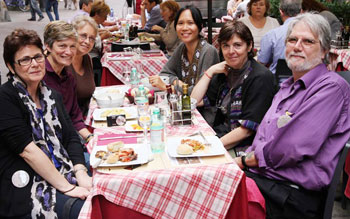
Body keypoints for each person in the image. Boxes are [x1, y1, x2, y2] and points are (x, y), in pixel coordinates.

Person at [234, 13, 350, 219]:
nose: (297, 46)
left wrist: (243, 161)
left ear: (324, 50)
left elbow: (290, 148)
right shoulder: (287, 87)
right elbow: (264, 136)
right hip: (263, 182)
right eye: (292, 40)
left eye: (308, 41)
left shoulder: (331, 87)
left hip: (289, 197)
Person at [0, 29, 91, 218]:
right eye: (25, 60)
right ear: (11, 66)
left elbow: (70, 138)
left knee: (105, 181)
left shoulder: (51, 96)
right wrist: (67, 187)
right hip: (26, 183)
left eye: (38, 57)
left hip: (60, 167)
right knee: (86, 209)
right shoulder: (5, 98)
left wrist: (80, 173)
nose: (34, 64)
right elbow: (28, 151)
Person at [191, 20, 276, 155]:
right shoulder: (225, 72)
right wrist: (210, 71)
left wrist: (208, 147)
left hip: (245, 147)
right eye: (226, 46)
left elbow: (247, 130)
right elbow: (193, 102)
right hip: (220, 135)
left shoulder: (260, 77)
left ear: (249, 47)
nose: (231, 51)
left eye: (237, 45)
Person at [43, 21, 93, 142]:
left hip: (69, 137)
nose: (69, 52)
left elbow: (75, 116)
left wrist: (90, 138)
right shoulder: (39, 76)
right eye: (62, 46)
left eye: (72, 46)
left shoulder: (68, 76)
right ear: (48, 46)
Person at [152, 5, 220, 94]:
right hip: (184, 103)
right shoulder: (182, 48)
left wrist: (168, 87)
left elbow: (200, 92)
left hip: (202, 107)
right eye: (180, 23)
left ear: (200, 26)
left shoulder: (208, 52)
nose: (184, 28)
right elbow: (165, 73)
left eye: (190, 23)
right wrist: (179, 83)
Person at [258, 0, 302, 74]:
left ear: (281, 12)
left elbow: (262, 62)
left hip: (278, 82)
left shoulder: (271, 35)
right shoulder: (313, 32)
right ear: (301, 11)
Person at [68, 15, 97, 116]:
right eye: (83, 36)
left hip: (87, 115)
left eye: (92, 38)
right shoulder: (64, 61)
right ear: (73, 35)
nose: (87, 42)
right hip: (73, 122)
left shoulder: (87, 59)